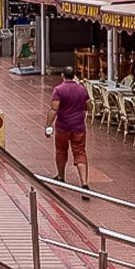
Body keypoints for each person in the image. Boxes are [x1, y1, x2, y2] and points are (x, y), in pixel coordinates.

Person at [45, 67, 91, 199]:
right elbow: (89, 106)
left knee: (61, 150)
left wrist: (48, 125)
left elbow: (54, 109)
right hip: (79, 127)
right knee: (80, 153)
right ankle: (84, 184)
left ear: (62, 75)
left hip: (63, 127)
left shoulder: (58, 90)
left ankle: (61, 176)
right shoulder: (82, 90)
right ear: (74, 75)